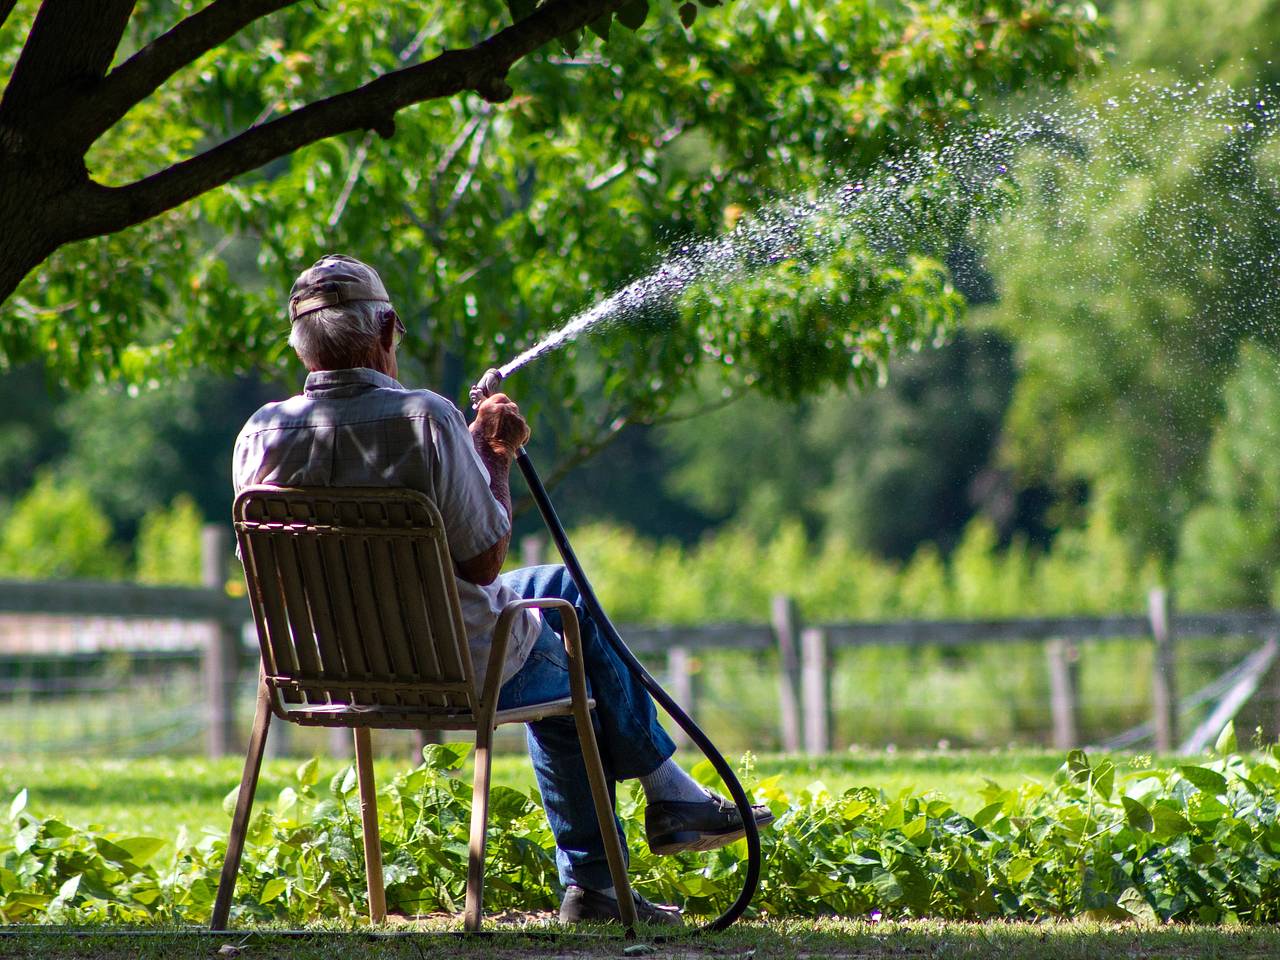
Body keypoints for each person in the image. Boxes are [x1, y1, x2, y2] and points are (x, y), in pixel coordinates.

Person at [233, 255, 773, 926]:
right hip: (452, 669)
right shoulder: (426, 420)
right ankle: (625, 848)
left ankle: (665, 802)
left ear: (300, 342)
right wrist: (490, 456)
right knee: (569, 656)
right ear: (388, 330)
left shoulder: (261, 432)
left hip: (319, 671)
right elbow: (485, 562)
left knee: (557, 587)